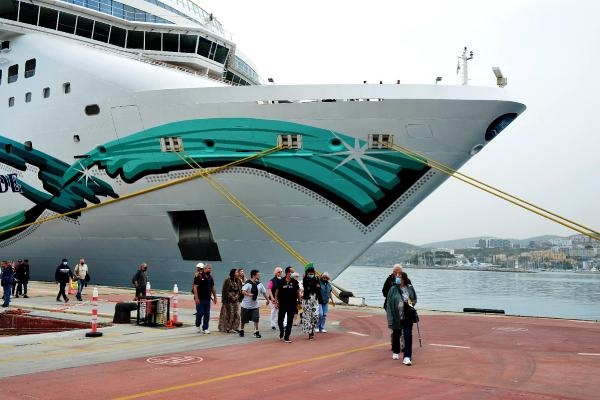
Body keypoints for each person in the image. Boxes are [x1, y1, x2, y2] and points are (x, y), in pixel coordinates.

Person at [386, 271, 418, 365]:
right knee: (397, 333)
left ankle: (407, 357)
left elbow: (414, 299)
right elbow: (389, 304)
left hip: (408, 315)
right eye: (397, 277)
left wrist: (411, 304)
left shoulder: (410, 288)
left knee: (408, 335)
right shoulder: (393, 289)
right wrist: (390, 318)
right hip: (396, 315)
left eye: (399, 277)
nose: (397, 278)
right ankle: (396, 351)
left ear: (403, 279)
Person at [239, 269, 269, 338]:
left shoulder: (259, 284)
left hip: (255, 305)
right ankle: (242, 330)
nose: (259, 276)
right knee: (243, 320)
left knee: (256, 319)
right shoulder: (248, 283)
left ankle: (256, 332)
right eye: (258, 274)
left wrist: (267, 300)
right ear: (253, 275)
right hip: (246, 305)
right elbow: (243, 291)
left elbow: (264, 292)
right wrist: (249, 294)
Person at [275, 266, 301, 343]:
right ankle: (282, 331)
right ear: (287, 272)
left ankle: (287, 337)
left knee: (290, 321)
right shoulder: (281, 281)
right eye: (292, 272)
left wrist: (300, 302)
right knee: (280, 320)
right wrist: (276, 301)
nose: (293, 273)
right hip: (282, 304)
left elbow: (298, 292)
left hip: (292, 304)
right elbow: (277, 291)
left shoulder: (295, 282)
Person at [193, 263, 217, 334]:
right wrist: (196, 298)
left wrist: (215, 297)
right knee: (200, 313)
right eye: (208, 268)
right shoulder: (199, 276)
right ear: (204, 269)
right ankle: (197, 325)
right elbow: (195, 287)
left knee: (207, 314)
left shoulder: (210, 277)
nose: (210, 270)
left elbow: (213, 288)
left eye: (210, 268)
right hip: (200, 298)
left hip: (207, 299)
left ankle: (205, 328)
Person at [301, 265, 322, 340]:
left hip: (315, 299)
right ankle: (310, 333)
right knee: (307, 316)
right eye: (309, 273)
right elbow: (306, 286)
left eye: (312, 273)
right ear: (307, 273)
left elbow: (318, 289)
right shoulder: (305, 279)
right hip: (307, 299)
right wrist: (315, 286)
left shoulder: (317, 278)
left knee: (315, 316)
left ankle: (312, 329)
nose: (311, 274)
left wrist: (320, 299)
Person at [218, 268, 241, 333]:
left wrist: (237, 296)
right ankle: (228, 327)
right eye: (236, 272)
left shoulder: (238, 281)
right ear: (233, 273)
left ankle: (235, 327)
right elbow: (224, 290)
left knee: (237, 314)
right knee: (229, 314)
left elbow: (240, 290)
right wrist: (228, 298)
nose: (238, 273)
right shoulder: (227, 280)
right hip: (228, 301)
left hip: (236, 300)